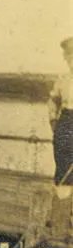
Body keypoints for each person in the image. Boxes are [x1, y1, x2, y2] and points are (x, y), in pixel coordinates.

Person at [48, 37, 73, 185]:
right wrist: (53, 121)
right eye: (68, 54)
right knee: (63, 166)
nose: (69, 58)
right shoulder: (62, 79)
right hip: (65, 120)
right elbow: (52, 101)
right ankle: (63, 201)